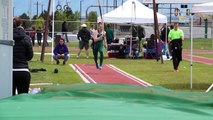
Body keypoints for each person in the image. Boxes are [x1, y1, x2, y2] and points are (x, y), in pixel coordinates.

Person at [13, 17, 34, 95]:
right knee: (23, 98)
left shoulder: (6, 38)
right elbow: (29, 56)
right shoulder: (26, 38)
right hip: (23, 70)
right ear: (20, 24)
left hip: (9, 71)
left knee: (8, 100)